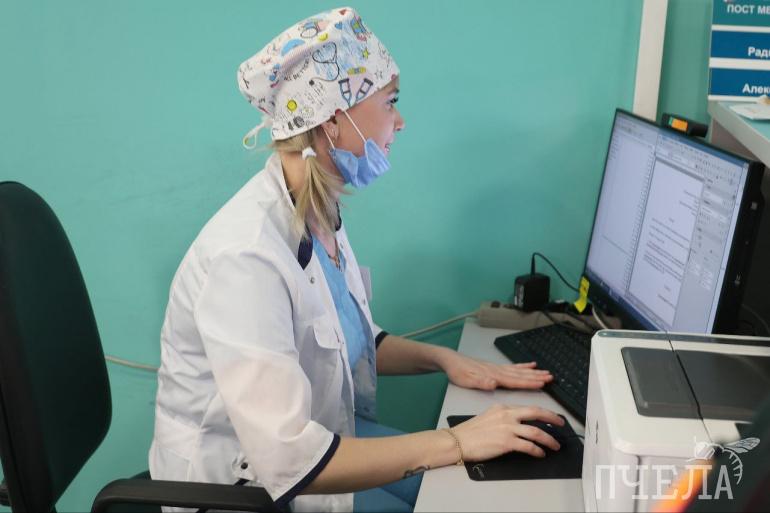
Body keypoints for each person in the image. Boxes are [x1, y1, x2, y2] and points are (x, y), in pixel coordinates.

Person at [149, 7, 564, 513]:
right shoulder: (246, 257)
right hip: (247, 489)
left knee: (471, 491)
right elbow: (290, 458)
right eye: (390, 103)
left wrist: (445, 360)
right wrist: (459, 441)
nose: (400, 122)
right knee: (454, 494)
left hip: (325, 442)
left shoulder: (318, 211)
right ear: (331, 121)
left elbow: (346, 338)